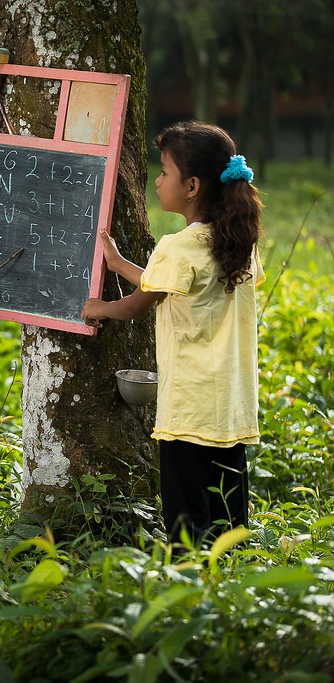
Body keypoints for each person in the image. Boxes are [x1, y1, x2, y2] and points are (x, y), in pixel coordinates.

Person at [81, 120, 265, 547]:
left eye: (164, 172)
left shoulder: (177, 246)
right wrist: (120, 263)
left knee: (186, 520)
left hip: (189, 409)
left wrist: (101, 308)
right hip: (231, 408)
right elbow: (168, 283)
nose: (158, 180)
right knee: (228, 519)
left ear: (193, 186)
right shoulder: (238, 241)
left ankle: (186, 586)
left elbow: (141, 302)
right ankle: (229, 592)